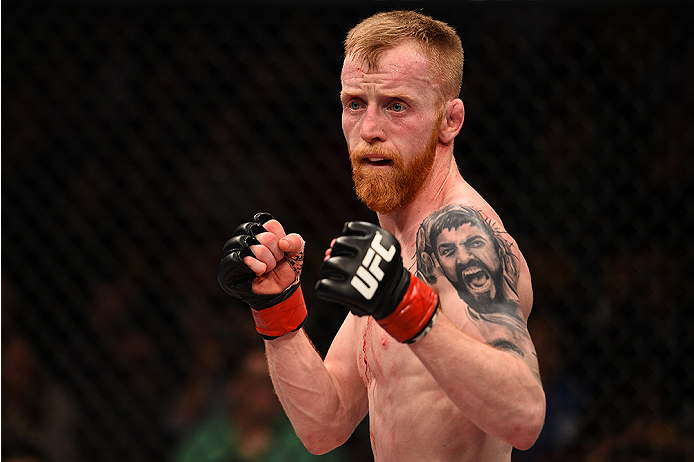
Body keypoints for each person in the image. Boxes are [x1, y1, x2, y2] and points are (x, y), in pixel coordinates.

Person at [218, 10, 545, 461]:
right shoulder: (396, 249)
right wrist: (276, 311)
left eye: (396, 105)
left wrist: (405, 306)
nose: (369, 130)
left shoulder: (463, 236)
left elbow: (525, 416)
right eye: (355, 104)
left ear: (450, 121)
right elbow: (325, 424)